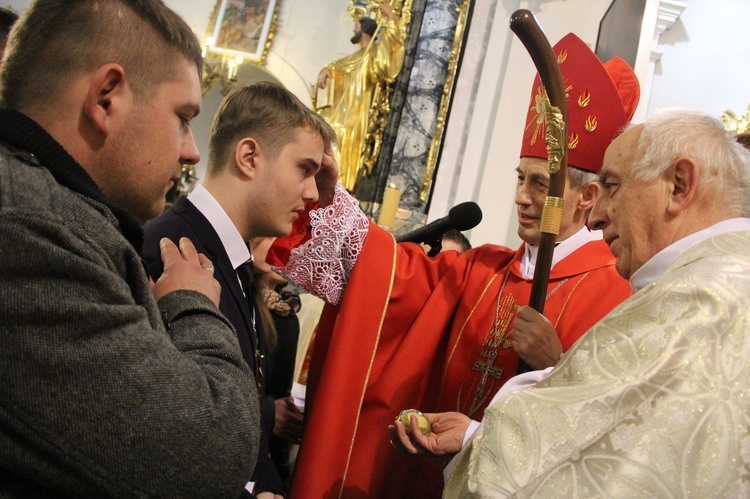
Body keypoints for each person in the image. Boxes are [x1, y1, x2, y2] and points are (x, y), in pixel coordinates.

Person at [269, 33, 639, 497]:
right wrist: (326, 206)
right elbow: (389, 280)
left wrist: (557, 365)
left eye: (541, 185)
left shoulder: (620, 296)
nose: (522, 198)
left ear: (586, 196)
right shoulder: (482, 271)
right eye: (520, 178)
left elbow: (618, 437)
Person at [0, 1, 260, 497]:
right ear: (106, 98)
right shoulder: (28, 231)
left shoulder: (53, 209)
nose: (192, 150)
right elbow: (209, 453)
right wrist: (194, 306)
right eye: (183, 117)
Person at [429, 108, 750, 497]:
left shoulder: (698, 301)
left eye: (612, 186)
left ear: (679, 186)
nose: (595, 218)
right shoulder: (718, 282)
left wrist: (477, 440)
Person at [143, 82, 334, 498]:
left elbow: (245, 406)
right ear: (249, 157)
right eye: (304, 169)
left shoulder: (233, 257)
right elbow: (165, 427)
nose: (312, 194)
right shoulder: (171, 250)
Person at [315, 0, 405, 191]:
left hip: (356, 113)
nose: (353, 28)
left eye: (356, 25)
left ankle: (339, 184)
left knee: (340, 141)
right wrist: (327, 70)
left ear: (364, 29)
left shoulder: (372, 53)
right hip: (341, 112)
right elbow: (339, 66)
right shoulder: (355, 57)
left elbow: (385, 58)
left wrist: (390, 17)